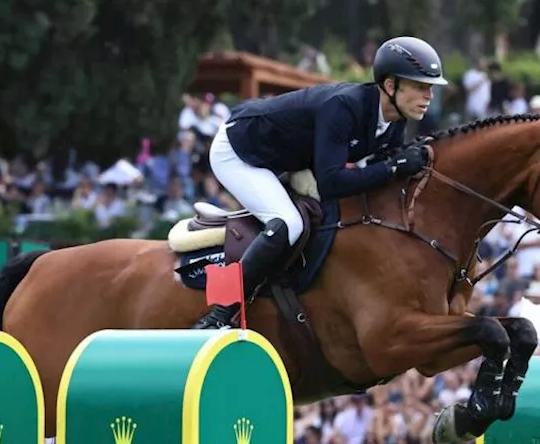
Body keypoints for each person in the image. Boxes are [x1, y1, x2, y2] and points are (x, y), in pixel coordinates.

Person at [192, 36, 448, 329]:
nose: (429, 95)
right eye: (420, 86)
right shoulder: (344, 107)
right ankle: (221, 312)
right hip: (241, 152)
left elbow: (379, 167)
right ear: (390, 86)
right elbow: (331, 182)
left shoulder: (395, 119)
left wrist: (401, 163)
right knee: (289, 223)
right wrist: (393, 167)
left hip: (291, 158)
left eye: (430, 88)